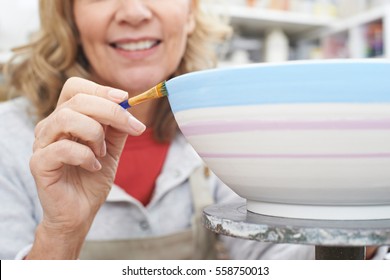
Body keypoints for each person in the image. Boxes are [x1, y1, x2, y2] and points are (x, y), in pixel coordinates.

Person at [1, 0, 382, 260]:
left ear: (190, 13)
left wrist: (359, 224)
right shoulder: (8, 138)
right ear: (69, 18)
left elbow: (272, 263)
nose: (134, 11)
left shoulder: (220, 131)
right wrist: (60, 235)